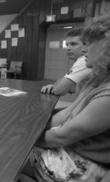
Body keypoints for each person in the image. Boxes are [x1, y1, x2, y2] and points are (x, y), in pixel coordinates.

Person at [20, 16, 110, 182]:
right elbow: (67, 113)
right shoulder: (98, 78)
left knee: (6, 156)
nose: (85, 50)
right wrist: (29, 127)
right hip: (70, 150)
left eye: (89, 43)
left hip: (83, 163)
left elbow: (63, 136)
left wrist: (23, 136)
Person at [41, 28, 91, 96]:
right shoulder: (81, 60)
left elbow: (59, 90)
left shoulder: (84, 60)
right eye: (67, 44)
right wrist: (57, 86)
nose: (68, 48)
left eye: (73, 44)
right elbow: (75, 87)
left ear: (86, 45)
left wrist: (58, 87)